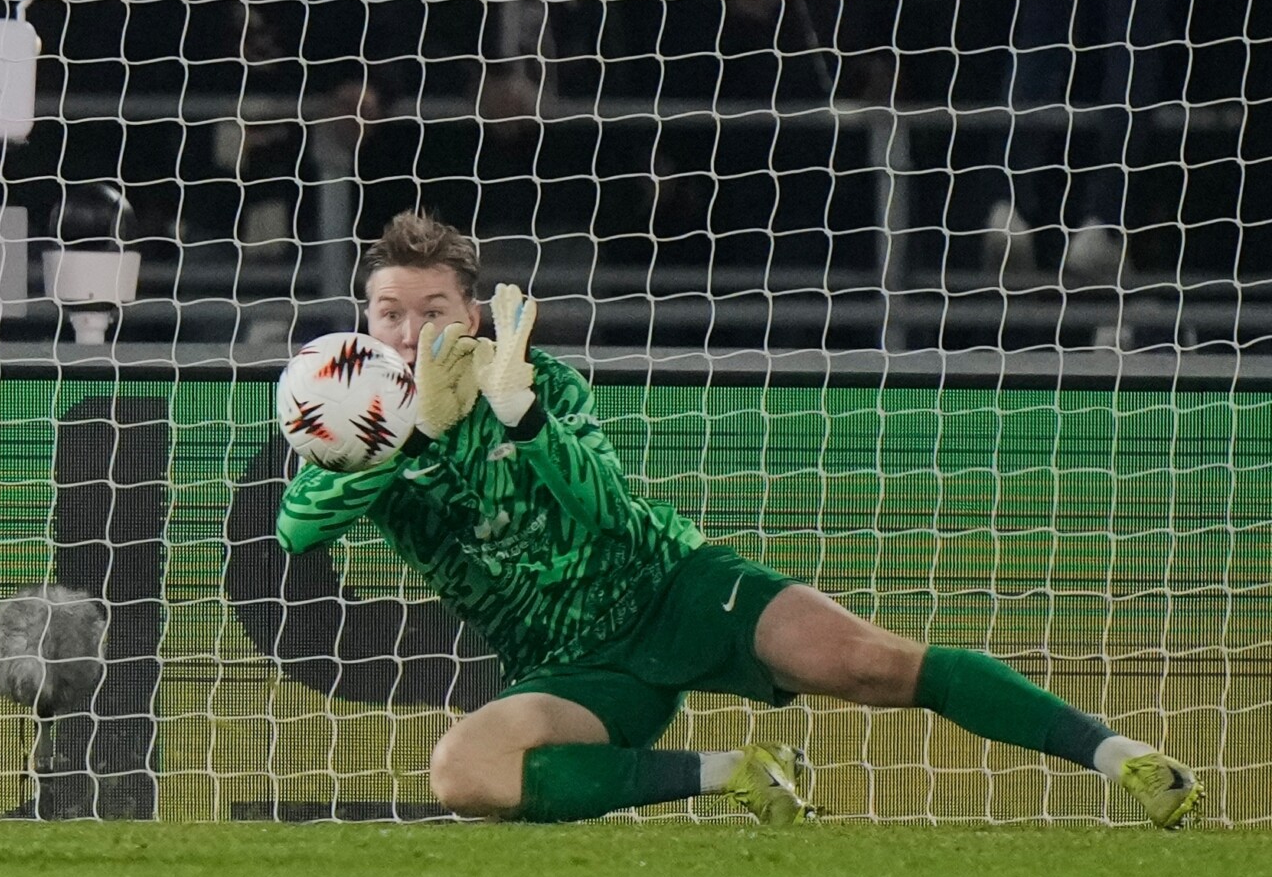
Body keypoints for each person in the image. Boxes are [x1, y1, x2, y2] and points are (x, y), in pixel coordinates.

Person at [277, 209, 1205, 829]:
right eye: (389, 312)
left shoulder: (535, 380)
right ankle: (730, 773)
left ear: (472, 315)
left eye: (431, 309)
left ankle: (1121, 757)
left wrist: (520, 418)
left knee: (874, 666)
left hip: (678, 588)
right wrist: (403, 442)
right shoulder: (357, 427)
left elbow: (603, 506)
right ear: (364, 322)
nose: (409, 331)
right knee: (465, 774)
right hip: (572, 666)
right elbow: (298, 529)